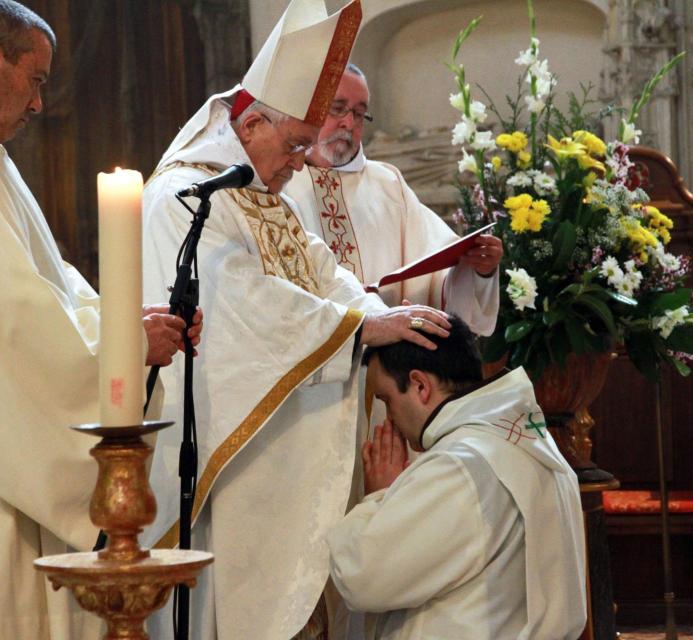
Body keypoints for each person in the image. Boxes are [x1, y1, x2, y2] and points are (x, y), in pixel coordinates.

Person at [0, 1, 199, 638]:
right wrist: (124, 346)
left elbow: (41, 292)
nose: (40, 104)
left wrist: (124, 326)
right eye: (37, 79)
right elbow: (2, 328)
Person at [140, 1, 451, 638]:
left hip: (282, 442)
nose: (305, 163)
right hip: (228, 448)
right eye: (295, 145)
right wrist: (360, 331)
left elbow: (323, 272)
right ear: (251, 123)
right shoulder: (183, 196)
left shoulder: (261, 191)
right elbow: (235, 302)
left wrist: (378, 312)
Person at [327, 317, 588, 639]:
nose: (389, 418)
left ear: (420, 385)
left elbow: (363, 579)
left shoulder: (460, 465)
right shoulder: (531, 444)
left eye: (386, 400)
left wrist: (379, 497)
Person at [283, 64, 502, 334]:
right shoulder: (280, 181)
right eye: (337, 108)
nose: (349, 123)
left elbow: (439, 270)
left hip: (389, 364)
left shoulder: (388, 184)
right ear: (309, 108)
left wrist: (479, 269)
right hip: (317, 357)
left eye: (360, 113)